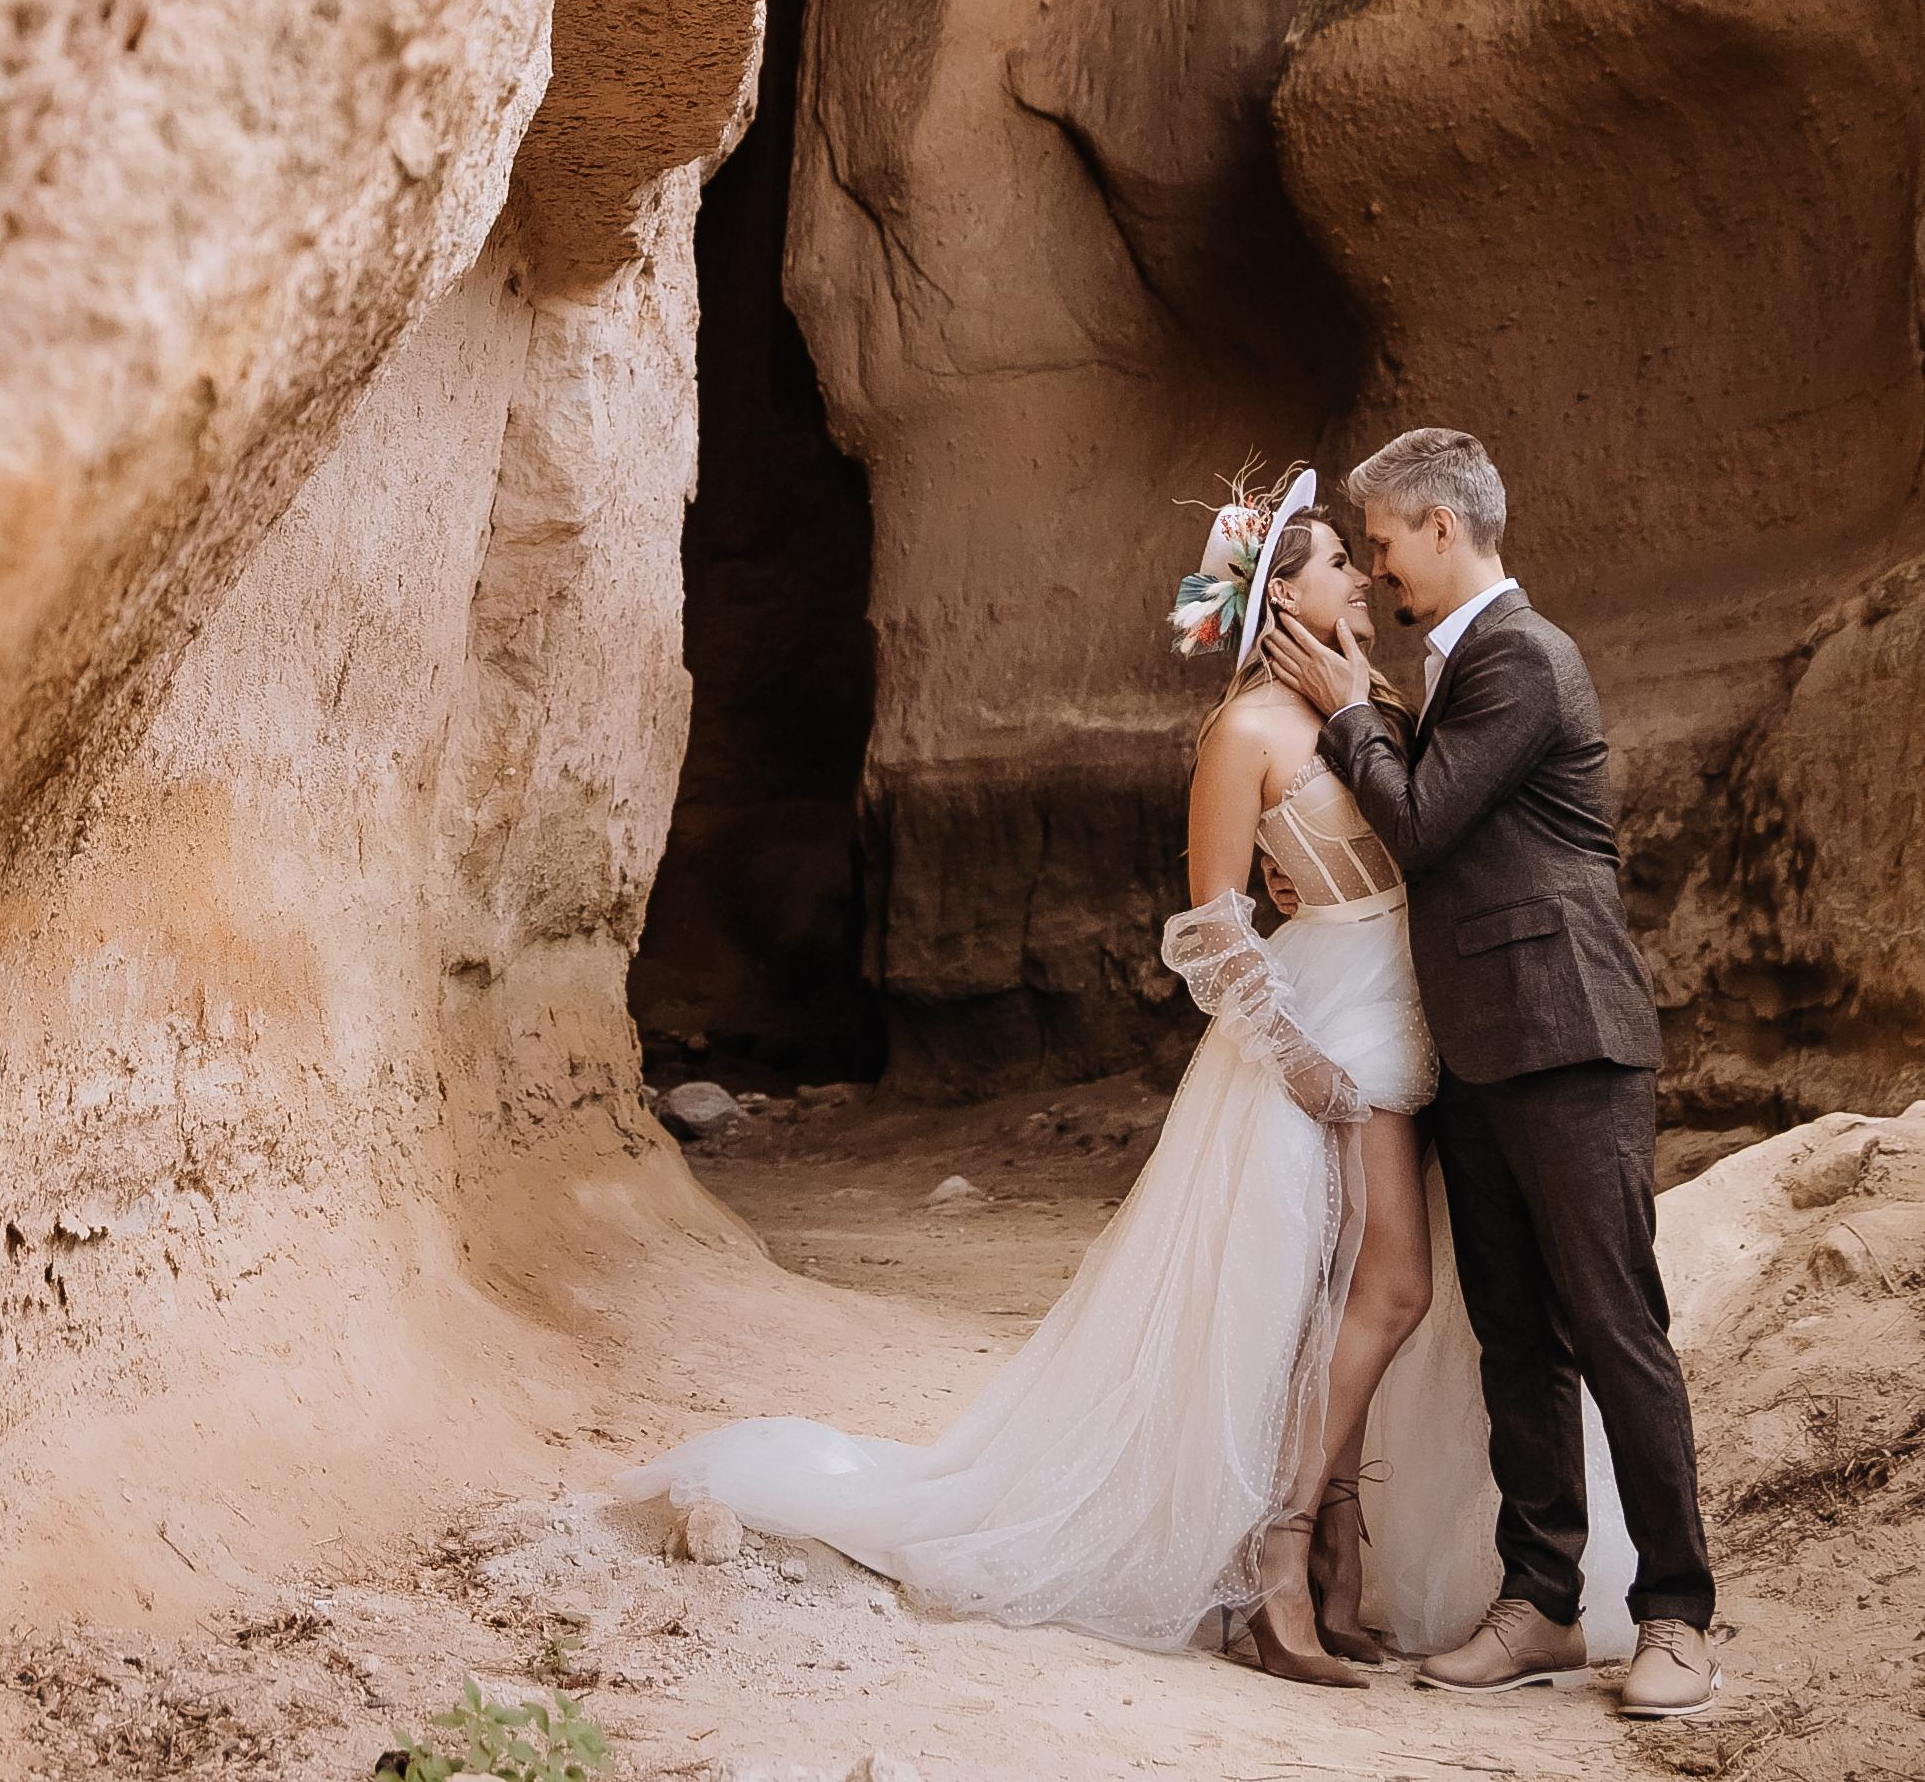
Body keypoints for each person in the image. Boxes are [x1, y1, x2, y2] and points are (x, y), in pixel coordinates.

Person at [619, 469, 1631, 1688]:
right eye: (1336, 562)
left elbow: (1428, 832)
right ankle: (1273, 1566)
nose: (1363, 576)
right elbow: (1210, 924)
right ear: (1282, 597)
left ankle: (1333, 1563)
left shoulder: (1374, 704)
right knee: (1384, 1291)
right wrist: (1294, 1054)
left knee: (1349, 1304)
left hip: (1416, 1019)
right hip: (1333, 1033)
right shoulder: (1242, 733)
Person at [1262, 425, 1718, 1723]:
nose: (1378, 570)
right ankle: (1541, 1603)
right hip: (1475, 1050)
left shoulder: (1522, 655)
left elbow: (1420, 820)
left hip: (1569, 1040)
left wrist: (1347, 714)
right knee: (1514, 1339)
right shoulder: (1454, 665)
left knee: (1615, 1329)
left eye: (1386, 543)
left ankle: (1678, 1618)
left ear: (1442, 528)